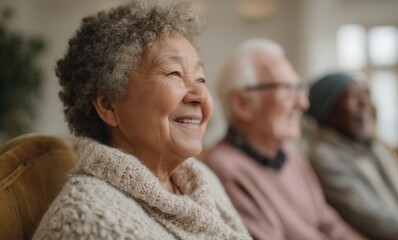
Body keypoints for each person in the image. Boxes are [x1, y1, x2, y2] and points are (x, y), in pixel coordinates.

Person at [33, 1, 251, 239]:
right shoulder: (88, 222)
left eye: (200, 79)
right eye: (174, 73)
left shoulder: (202, 180)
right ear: (108, 106)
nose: (200, 96)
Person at [204, 38, 363, 240]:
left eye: (300, 89)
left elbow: (331, 225)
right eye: (289, 90)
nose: (303, 103)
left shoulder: (292, 156)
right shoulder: (225, 171)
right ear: (242, 104)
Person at [307, 72, 398, 240]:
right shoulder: (326, 158)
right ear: (327, 111)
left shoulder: (376, 146)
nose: (365, 103)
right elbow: (376, 221)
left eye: (365, 95)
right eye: (353, 97)